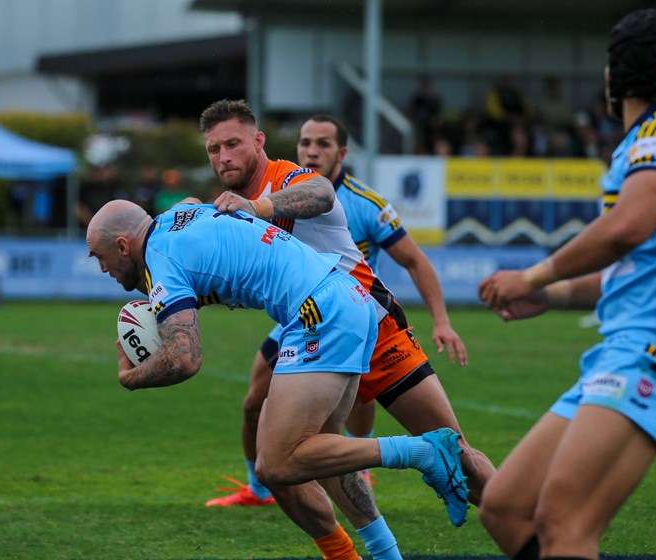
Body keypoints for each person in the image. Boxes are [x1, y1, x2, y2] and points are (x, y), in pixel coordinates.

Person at [88, 199, 468, 560]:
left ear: (123, 246)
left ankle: (422, 451)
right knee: (322, 455)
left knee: (277, 465)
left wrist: (132, 377)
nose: (103, 269)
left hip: (318, 311)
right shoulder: (176, 219)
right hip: (346, 295)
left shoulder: (161, 259)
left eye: (100, 257)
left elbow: (184, 359)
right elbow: (189, 203)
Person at [197, 99, 471, 557]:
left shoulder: (297, 183)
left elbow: (324, 197)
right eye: (213, 149)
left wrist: (442, 320)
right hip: (308, 327)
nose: (223, 156)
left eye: (232, 144)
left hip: (370, 323)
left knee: (460, 458)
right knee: (292, 451)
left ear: (259, 141)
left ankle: (523, 525)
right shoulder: (232, 208)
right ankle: (376, 549)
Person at [477, 9, 656, 560]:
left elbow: (626, 229)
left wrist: (532, 274)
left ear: (618, 74)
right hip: (623, 347)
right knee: (506, 507)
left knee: (563, 520)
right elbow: (633, 264)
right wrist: (552, 294)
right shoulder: (644, 139)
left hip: (654, 348)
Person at [297, 113, 492, 490]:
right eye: (305, 143)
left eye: (323, 143)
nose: (312, 151)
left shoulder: (365, 204)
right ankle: (261, 489)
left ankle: (362, 467)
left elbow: (415, 261)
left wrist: (442, 321)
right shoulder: (283, 196)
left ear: (342, 153)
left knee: (359, 401)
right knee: (259, 402)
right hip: (305, 321)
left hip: (361, 319)